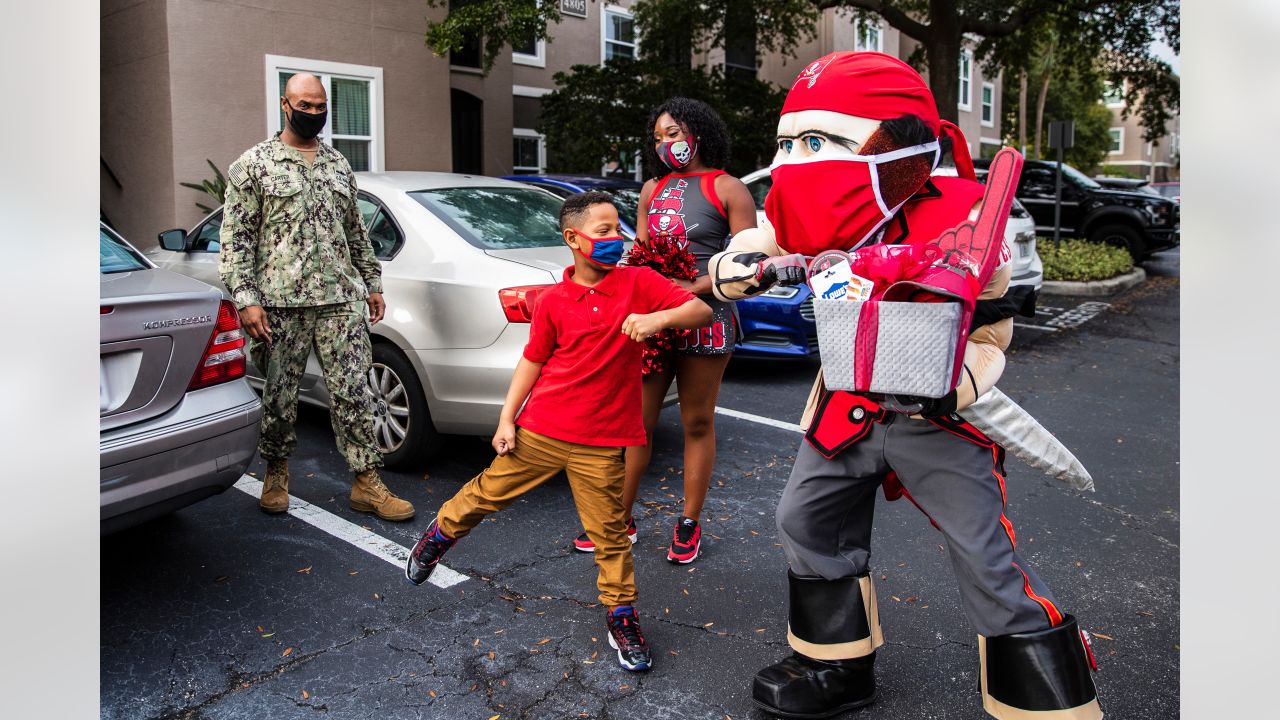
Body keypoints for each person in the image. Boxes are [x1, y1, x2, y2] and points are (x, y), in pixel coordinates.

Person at [709, 52, 1102, 719]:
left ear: (895, 143)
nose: (798, 160)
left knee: (982, 553)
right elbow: (749, 246)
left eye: (818, 141)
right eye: (791, 144)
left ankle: (1046, 702)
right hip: (845, 404)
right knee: (805, 520)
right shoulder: (807, 214)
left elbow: (989, 332)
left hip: (935, 416)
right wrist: (743, 264)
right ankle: (835, 669)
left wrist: (961, 385)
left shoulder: (965, 216)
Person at [404, 192, 713, 672]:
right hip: (542, 430)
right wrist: (507, 419)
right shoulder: (553, 301)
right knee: (485, 495)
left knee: (610, 536)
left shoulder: (640, 282)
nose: (618, 239)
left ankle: (622, 615)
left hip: (604, 442)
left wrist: (658, 318)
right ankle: (439, 536)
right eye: (605, 231)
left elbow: (701, 312)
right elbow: (532, 361)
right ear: (573, 238)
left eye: (619, 228)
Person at [219, 73, 414, 522]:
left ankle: (366, 482)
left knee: (353, 392)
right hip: (279, 304)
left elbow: (355, 233)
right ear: (285, 106)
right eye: (304, 105)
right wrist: (247, 298)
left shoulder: (338, 165)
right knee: (280, 396)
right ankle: (276, 471)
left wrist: (372, 282)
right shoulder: (254, 164)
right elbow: (236, 240)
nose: (313, 113)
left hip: (339, 300)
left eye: (320, 105)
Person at [571, 97, 757, 564]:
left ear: (697, 132)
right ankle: (619, 519)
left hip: (706, 319)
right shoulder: (653, 189)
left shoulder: (729, 189)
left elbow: (750, 267)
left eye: (672, 134)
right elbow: (640, 254)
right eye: (657, 138)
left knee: (697, 421)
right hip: (651, 319)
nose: (664, 144)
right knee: (635, 424)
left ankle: (689, 522)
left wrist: (692, 285)